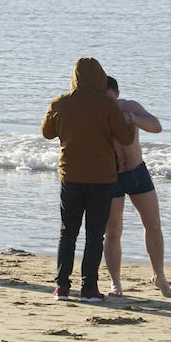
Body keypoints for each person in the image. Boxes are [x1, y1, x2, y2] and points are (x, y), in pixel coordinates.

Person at [41, 57, 135, 302]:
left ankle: (62, 287)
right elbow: (124, 138)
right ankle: (89, 288)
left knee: (67, 232)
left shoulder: (59, 103)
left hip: (71, 176)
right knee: (95, 235)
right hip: (102, 178)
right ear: (100, 77)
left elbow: (47, 133)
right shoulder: (108, 105)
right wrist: (132, 124)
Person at [103, 76, 171, 298]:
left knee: (153, 224)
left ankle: (159, 276)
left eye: (110, 99)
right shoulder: (95, 112)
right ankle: (115, 283)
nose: (108, 104)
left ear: (117, 93)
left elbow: (156, 126)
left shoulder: (129, 106)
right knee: (113, 232)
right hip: (110, 175)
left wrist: (132, 118)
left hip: (137, 172)